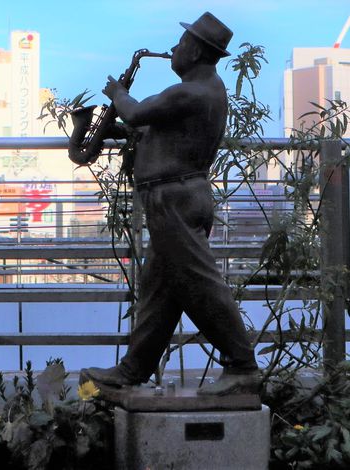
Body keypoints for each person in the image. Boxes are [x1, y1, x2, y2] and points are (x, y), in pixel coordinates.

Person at [80, 12, 259, 395]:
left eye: (180, 45)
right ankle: (133, 370)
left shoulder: (191, 92)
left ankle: (242, 366)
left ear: (194, 51)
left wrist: (117, 95)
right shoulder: (202, 91)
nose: (174, 50)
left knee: (200, 285)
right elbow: (150, 127)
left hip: (174, 200)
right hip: (173, 198)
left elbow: (138, 112)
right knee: (160, 292)